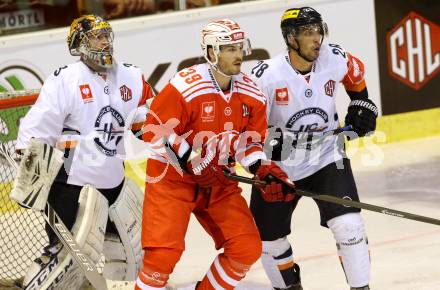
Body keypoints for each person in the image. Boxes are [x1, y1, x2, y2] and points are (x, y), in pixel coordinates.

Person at [136, 19, 295, 290]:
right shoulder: (186, 85)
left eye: (239, 47)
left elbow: (249, 145)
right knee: (162, 257)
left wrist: (262, 169)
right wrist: (191, 160)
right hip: (172, 180)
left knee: (246, 247)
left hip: (219, 180)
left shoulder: (252, 93)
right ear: (211, 52)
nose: (239, 55)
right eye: (229, 48)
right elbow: (154, 128)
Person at [14, 14, 154, 289]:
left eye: (107, 36)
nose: (105, 42)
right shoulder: (64, 80)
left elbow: (144, 121)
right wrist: (27, 167)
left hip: (114, 182)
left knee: (131, 256)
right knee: (66, 261)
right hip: (70, 185)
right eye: (97, 37)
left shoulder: (131, 76)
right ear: (79, 44)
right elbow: (38, 126)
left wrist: (165, 136)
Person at [249, 7, 377, 290]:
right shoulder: (266, 76)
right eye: (308, 32)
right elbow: (250, 129)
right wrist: (260, 162)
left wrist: (361, 104)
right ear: (290, 38)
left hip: (327, 156)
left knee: (349, 226)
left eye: (318, 30)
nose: (316, 38)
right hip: (280, 165)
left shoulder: (335, 57)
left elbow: (356, 79)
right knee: (268, 240)